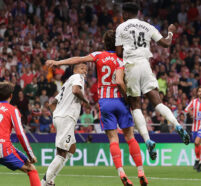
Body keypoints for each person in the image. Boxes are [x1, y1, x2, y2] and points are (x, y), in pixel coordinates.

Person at [46, 30, 147, 186]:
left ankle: (121, 172)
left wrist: (58, 63)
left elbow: (77, 59)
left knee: (113, 139)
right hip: (120, 100)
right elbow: (122, 81)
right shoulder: (122, 59)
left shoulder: (98, 55)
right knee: (130, 137)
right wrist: (129, 98)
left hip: (105, 102)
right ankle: (140, 171)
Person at [115, 2, 189, 160]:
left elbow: (119, 53)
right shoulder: (147, 26)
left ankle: (147, 140)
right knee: (158, 102)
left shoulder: (121, 28)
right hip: (145, 65)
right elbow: (166, 44)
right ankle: (177, 125)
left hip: (131, 65)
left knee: (135, 105)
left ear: (126, 14)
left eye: (123, 13)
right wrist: (170, 32)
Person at [41, 63, 89, 186]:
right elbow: (76, 90)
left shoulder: (66, 83)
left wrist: (57, 115)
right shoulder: (77, 78)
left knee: (71, 149)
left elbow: (52, 103)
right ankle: (44, 183)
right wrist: (86, 101)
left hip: (61, 117)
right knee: (61, 152)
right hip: (67, 118)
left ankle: (50, 180)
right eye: (82, 68)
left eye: (86, 69)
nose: (85, 71)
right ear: (75, 70)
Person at [184, 87, 201, 172]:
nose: (200, 93)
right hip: (195, 126)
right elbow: (186, 110)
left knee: (197, 142)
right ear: (197, 93)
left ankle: (198, 161)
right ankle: (198, 161)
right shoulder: (194, 102)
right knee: (197, 145)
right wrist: (191, 113)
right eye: (199, 91)